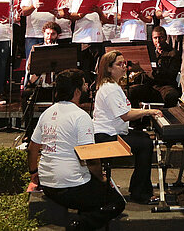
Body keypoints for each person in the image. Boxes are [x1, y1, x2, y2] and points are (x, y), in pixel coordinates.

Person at [28, 69, 125, 231]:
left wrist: (33, 172)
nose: (87, 87)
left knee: (93, 190)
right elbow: (91, 158)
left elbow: (32, 148)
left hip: (47, 184)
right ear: (77, 91)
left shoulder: (47, 113)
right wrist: (101, 178)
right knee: (117, 202)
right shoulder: (81, 116)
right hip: (71, 187)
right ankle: (79, 226)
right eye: (84, 84)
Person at [93, 50, 162, 205]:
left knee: (144, 138)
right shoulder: (110, 89)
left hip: (112, 132)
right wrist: (149, 111)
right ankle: (140, 193)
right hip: (105, 136)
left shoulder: (113, 86)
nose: (124, 67)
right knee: (145, 144)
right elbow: (125, 115)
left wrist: (146, 111)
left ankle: (139, 188)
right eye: (119, 64)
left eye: (124, 63)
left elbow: (124, 111)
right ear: (109, 68)